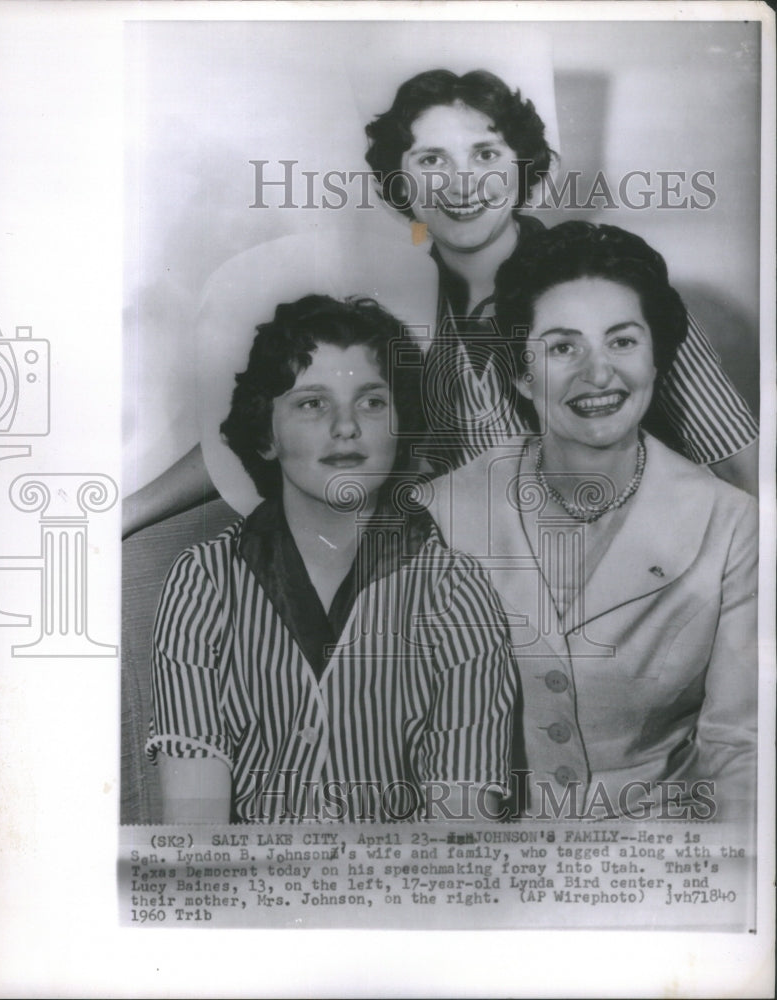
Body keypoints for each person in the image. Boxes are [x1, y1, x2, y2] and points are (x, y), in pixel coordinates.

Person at [122, 67, 758, 537]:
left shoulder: (613, 280)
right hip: (486, 621)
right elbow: (265, 420)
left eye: (485, 154)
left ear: (521, 166)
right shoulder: (389, 307)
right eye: (432, 160)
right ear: (401, 183)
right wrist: (124, 514)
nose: (462, 184)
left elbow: (740, 473)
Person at [431, 221, 758, 821]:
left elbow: (741, 751)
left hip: (668, 862)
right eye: (563, 347)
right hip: (491, 864)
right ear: (523, 375)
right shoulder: (442, 513)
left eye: (622, 342)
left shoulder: (735, 525)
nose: (598, 373)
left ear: (657, 359)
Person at [146, 294, 516, 823]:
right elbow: (195, 837)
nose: (346, 427)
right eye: (312, 403)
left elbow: (461, 837)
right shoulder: (204, 582)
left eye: (371, 402)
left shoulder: (455, 592)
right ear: (266, 435)